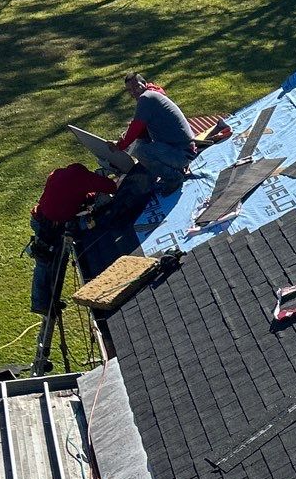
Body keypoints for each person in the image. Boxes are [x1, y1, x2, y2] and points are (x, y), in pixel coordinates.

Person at [29, 161, 116, 312]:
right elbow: (111, 187)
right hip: (51, 227)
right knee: (47, 264)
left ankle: (48, 301)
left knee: (47, 263)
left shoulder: (56, 174)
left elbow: (66, 195)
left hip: (40, 220)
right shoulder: (83, 178)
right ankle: (41, 304)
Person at [116, 72, 197, 187]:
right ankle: (169, 170)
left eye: (136, 87)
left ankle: (174, 178)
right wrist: (129, 136)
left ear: (144, 83)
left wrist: (120, 146)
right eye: (130, 90)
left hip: (181, 154)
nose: (133, 92)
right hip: (184, 150)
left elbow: (135, 128)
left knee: (139, 150)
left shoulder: (146, 98)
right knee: (141, 142)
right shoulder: (153, 93)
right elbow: (140, 131)